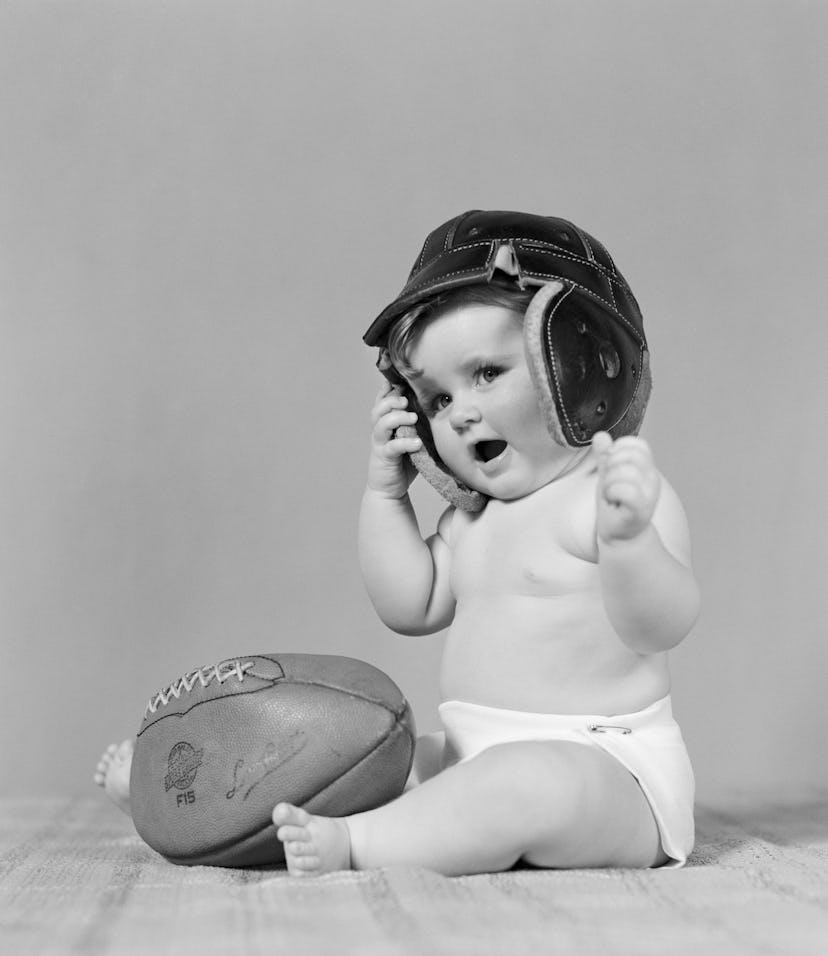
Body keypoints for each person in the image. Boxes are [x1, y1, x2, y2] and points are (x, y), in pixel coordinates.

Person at [96, 210, 700, 879]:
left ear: (582, 363)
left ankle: (357, 845)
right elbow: (408, 606)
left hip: (609, 770)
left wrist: (627, 542)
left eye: (488, 373)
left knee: (527, 785)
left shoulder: (613, 495)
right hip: (471, 755)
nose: (461, 411)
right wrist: (386, 497)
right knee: (346, 758)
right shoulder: (472, 521)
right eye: (436, 399)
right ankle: (188, 809)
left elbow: (660, 626)